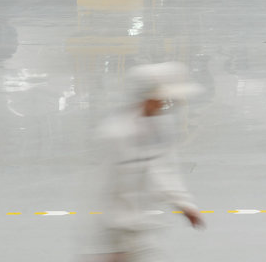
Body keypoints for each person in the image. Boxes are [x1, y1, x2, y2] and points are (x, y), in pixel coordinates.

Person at [86, 62, 204, 261]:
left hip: (144, 227)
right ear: (148, 97)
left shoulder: (159, 126)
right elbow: (106, 187)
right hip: (119, 229)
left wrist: (183, 204)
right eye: (161, 99)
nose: (165, 104)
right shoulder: (116, 133)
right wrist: (113, 241)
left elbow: (163, 169)